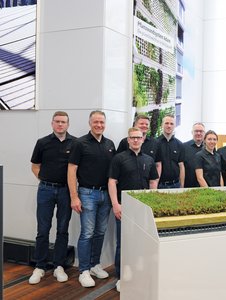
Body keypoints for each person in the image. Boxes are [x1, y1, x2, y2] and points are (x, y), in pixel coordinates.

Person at [67, 110, 116, 288]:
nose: (99, 125)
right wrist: (74, 196)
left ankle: (95, 265)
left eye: (102, 122)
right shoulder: (80, 143)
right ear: (90, 123)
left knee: (100, 232)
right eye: (95, 122)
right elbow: (71, 170)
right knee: (87, 233)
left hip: (105, 195)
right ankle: (84, 270)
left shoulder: (110, 144)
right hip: (87, 194)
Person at [108, 127, 159, 292]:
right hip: (124, 207)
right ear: (128, 140)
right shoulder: (118, 159)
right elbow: (112, 182)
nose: (136, 140)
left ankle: (137, 273)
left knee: (141, 241)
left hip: (143, 209)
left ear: (143, 139)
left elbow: (153, 183)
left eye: (138, 137)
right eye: (132, 138)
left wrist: (151, 205)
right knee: (123, 242)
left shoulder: (149, 160)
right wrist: (115, 204)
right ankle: (121, 276)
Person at [29, 111, 76, 285]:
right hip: (46, 191)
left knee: (62, 229)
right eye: (57, 121)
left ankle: (59, 266)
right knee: (43, 229)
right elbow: (35, 166)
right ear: (52, 123)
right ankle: (40, 266)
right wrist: (45, 179)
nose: (60, 125)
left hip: (65, 191)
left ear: (68, 124)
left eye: (63, 122)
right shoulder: (42, 143)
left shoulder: (76, 143)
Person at [156, 115, 185, 189]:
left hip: (176, 185)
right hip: (160, 185)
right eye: (166, 123)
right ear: (162, 125)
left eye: (171, 124)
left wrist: (181, 186)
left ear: (175, 126)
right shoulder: (155, 143)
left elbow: (181, 166)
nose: (169, 126)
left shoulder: (179, 144)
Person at [183, 122, 205, 187]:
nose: (198, 133)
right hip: (188, 185)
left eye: (201, 131)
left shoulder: (209, 148)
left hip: (204, 185)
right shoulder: (183, 147)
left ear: (204, 133)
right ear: (192, 132)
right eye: (196, 131)